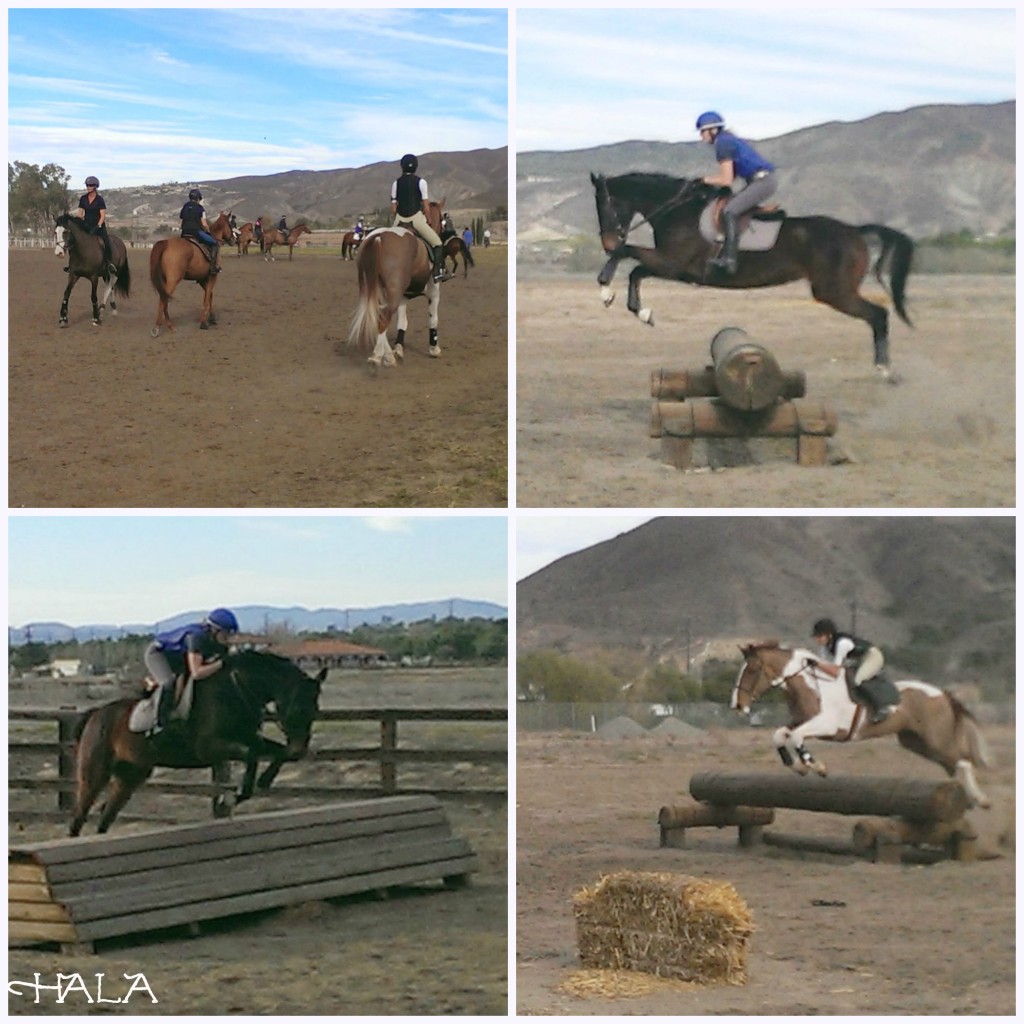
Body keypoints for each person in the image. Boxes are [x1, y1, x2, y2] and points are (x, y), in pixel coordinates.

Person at [695, 111, 777, 275]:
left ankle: (730, 259)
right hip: (758, 181)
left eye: (702, 131)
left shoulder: (723, 144)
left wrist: (703, 180)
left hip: (762, 182)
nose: (701, 136)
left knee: (729, 210)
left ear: (712, 130)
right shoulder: (727, 140)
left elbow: (726, 179)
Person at [144, 608, 239, 735]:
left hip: (178, 657)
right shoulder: (197, 638)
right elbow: (197, 673)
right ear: (215, 630)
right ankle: (159, 722)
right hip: (157, 654)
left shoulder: (216, 639)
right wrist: (222, 663)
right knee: (168, 682)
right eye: (226, 633)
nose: (229, 637)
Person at [810, 618, 889, 723]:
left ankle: (881, 708)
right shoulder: (824, 648)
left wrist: (816, 664)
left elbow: (835, 671)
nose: (817, 640)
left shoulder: (841, 643)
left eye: (820, 636)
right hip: (858, 660)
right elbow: (825, 666)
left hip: (872, 656)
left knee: (857, 680)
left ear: (829, 635)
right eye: (816, 637)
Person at [390, 153, 446, 282]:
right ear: (415, 167)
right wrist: (430, 220)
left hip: (399, 219)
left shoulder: (396, 183)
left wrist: (397, 216)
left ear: (402, 167)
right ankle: (437, 273)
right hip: (416, 219)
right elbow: (426, 207)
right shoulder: (421, 182)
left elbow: (393, 209)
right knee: (437, 243)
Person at [74, 176, 116, 281]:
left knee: (106, 242)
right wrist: (78, 223)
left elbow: (102, 216)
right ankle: (73, 264)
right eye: (87, 185)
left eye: (90, 185)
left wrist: (98, 226)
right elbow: (80, 213)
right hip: (86, 225)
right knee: (74, 240)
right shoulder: (83, 198)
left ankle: (109, 263)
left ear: (95, 186)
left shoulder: (99, 200)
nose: (88, 187)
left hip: (99, 226)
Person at [179, 189, 221, 275]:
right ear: (198, 198)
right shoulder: (200, 209)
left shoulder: (185, 206)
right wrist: (208, 232)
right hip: (196, 232)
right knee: (214, 243)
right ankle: (212, 268)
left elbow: (182, 218)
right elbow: (204, 224)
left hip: (184, 233)